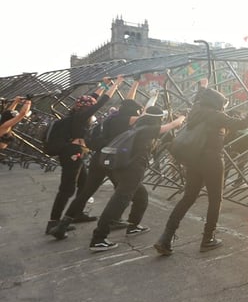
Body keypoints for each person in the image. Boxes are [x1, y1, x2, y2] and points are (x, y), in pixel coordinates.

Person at [154, 88, 248, 255]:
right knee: (215, 199)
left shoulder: (195, 113)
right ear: (216, 103)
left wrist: (203, 86)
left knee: (188, 197)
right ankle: (208, 238)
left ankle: (166, 236)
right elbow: (242, 124)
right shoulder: (216, 115)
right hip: (212, 161)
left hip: (193, 160)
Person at [85, 107, 185, 250]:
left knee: (141, 196)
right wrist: (181, 117)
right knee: (119, 202)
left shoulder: (136, 127)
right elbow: (171, 126)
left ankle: (133, 226)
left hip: (123, 169)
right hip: (132, 170)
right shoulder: (146, 129)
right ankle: (99, 238)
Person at [54, 80, 143, 230]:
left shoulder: (112, 117)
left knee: (86, 192)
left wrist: (136, 83)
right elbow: (148, 116)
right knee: (126, 193)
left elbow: (128, 101)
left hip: (99, 158)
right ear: (134, 112)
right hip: (113, 161)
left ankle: (63, 224)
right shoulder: (128, 119)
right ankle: (114, 222)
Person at [47, 76, 124, 235]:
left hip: (75, 152)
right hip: (72, 153)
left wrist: (104, 83)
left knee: (84, 184)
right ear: (87, 109)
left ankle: (77, 214)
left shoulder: (77, 113)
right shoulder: (82, 117)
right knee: (67, 189)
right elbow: (102, 100)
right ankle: (53, 223)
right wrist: (117, 83)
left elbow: (94, 98)